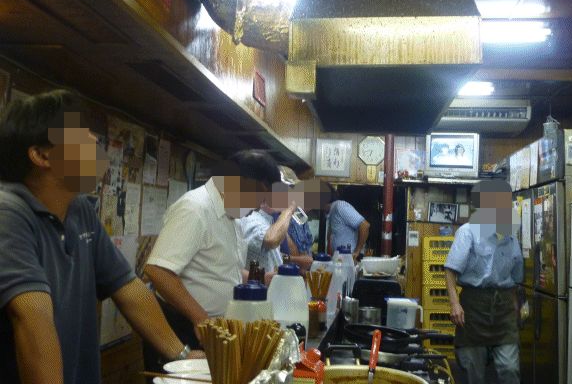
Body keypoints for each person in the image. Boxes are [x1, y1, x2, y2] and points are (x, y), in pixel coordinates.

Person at [0, 90, 202, 384]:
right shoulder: (8, 213)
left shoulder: (78, 208)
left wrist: (183, 357)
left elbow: (128, 288)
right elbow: (32, 317)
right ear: (42, 155)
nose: (93, 139)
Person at [143, 150, 297, 374]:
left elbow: (223, 268)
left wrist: (262, 279)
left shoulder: (233, 217)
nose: (258, 207)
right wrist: (201, 319)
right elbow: (158, 271)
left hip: (210, 332)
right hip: (181, 330)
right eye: (261, 198)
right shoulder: (195, 208)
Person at [444, 179, 523, 384]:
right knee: (473, 372)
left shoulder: (511, 236)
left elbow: (515, 279)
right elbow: (451, 270)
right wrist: (454, 304)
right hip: (474, 309)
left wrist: (516, 308)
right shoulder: (468, 232)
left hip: (504, 311)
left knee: (509, 369)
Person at [326, 192, 370, 257]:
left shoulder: (340, 206)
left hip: (351, 258)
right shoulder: (331, 212)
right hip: (340, 259)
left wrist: (356, 252)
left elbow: (365, 226)